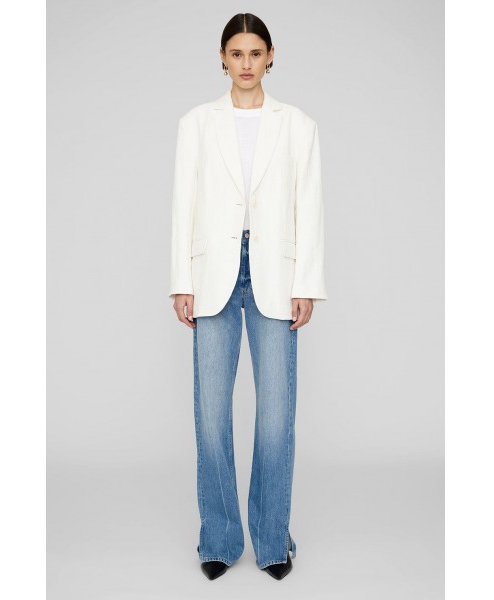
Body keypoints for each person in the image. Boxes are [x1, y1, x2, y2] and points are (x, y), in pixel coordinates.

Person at [168, 12, 328, 581]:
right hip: (213, 270)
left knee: (276, 416)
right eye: (236, 53)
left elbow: (308, 206)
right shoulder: (196, 123)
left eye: (255, 53)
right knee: (211, 416)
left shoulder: (298, 125)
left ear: (271, 56)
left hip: (276, 274)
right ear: (222, 58)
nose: (245, 63)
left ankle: (271, 540)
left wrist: (307, 283)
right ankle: (218, 539)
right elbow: (183, 202)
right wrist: (181, 280)